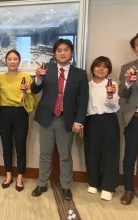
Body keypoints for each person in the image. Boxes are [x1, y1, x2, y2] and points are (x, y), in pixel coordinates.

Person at [30, 39, 89, 201]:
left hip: (67, 119)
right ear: (54, 54)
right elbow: (34, 90)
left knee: (65, 156)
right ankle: (42, 183)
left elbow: (83, 99)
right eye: (59, 50)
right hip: (47, 119)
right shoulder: (46, 70)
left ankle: (66, 187)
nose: (62, 53)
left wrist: (79, 121)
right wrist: (38, 78)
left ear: (71, 53)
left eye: (66, 50)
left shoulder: (80, 73)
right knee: (45, 154)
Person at [0, 50, 36, 192]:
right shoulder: (0, 79)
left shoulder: (26, 77)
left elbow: (31, 103)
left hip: (21, 113)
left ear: (19, 61)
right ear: (5, 61)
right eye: (9, 59)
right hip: (4, 113)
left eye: (15, 59)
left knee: (21, 146)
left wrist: (24, 92)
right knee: (6, 146)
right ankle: (9, 175)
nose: (12, 61)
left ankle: (20, 177)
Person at [84, 56, 120, 201]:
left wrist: (110, 95)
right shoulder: (86, 85)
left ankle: (108, 187)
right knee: (91, 152)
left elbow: (113, 106)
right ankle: (93, 183)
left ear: (108, 70)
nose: (101, 69)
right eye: (98, 66)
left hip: (109, 119)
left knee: (110, 153)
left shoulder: (112, 84)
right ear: (93, 68)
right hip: (91, 120)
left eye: (104, 67)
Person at [119, 33, 138, 205]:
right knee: (129, 156)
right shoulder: (127, 68)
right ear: (134, 49)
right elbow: (121, 95)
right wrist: (127, 83)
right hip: (134, 119)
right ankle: (129, 190)